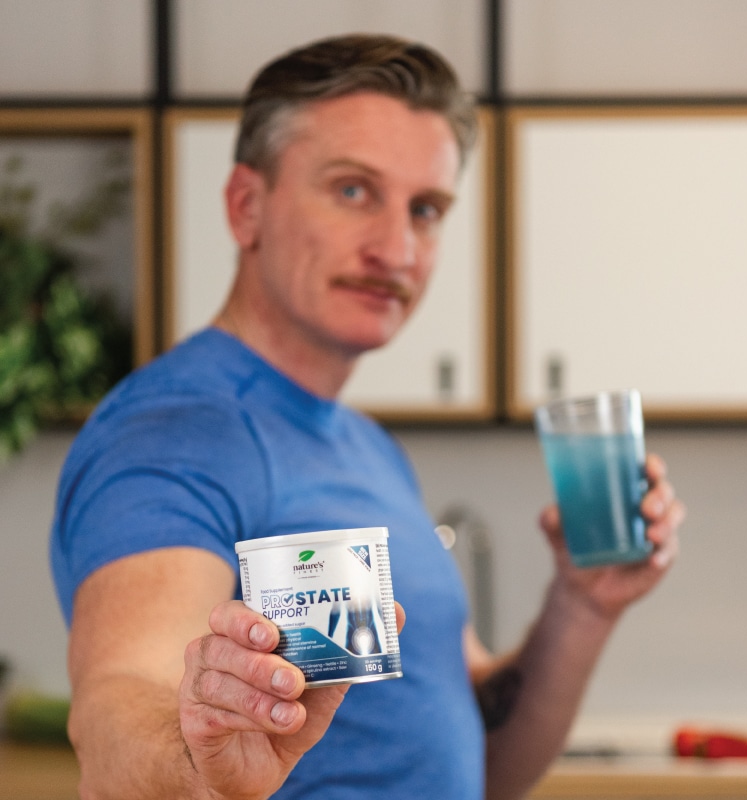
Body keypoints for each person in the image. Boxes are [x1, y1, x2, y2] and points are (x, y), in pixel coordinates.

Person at [50, 34, 685, 800]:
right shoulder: (177, 432)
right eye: (353, 191)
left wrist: (583, 604)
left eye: (425, 209)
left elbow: (480, 757)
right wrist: (200, 767)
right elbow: (117, 703)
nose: (397, 248)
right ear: (247, 207)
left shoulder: (365, 446)